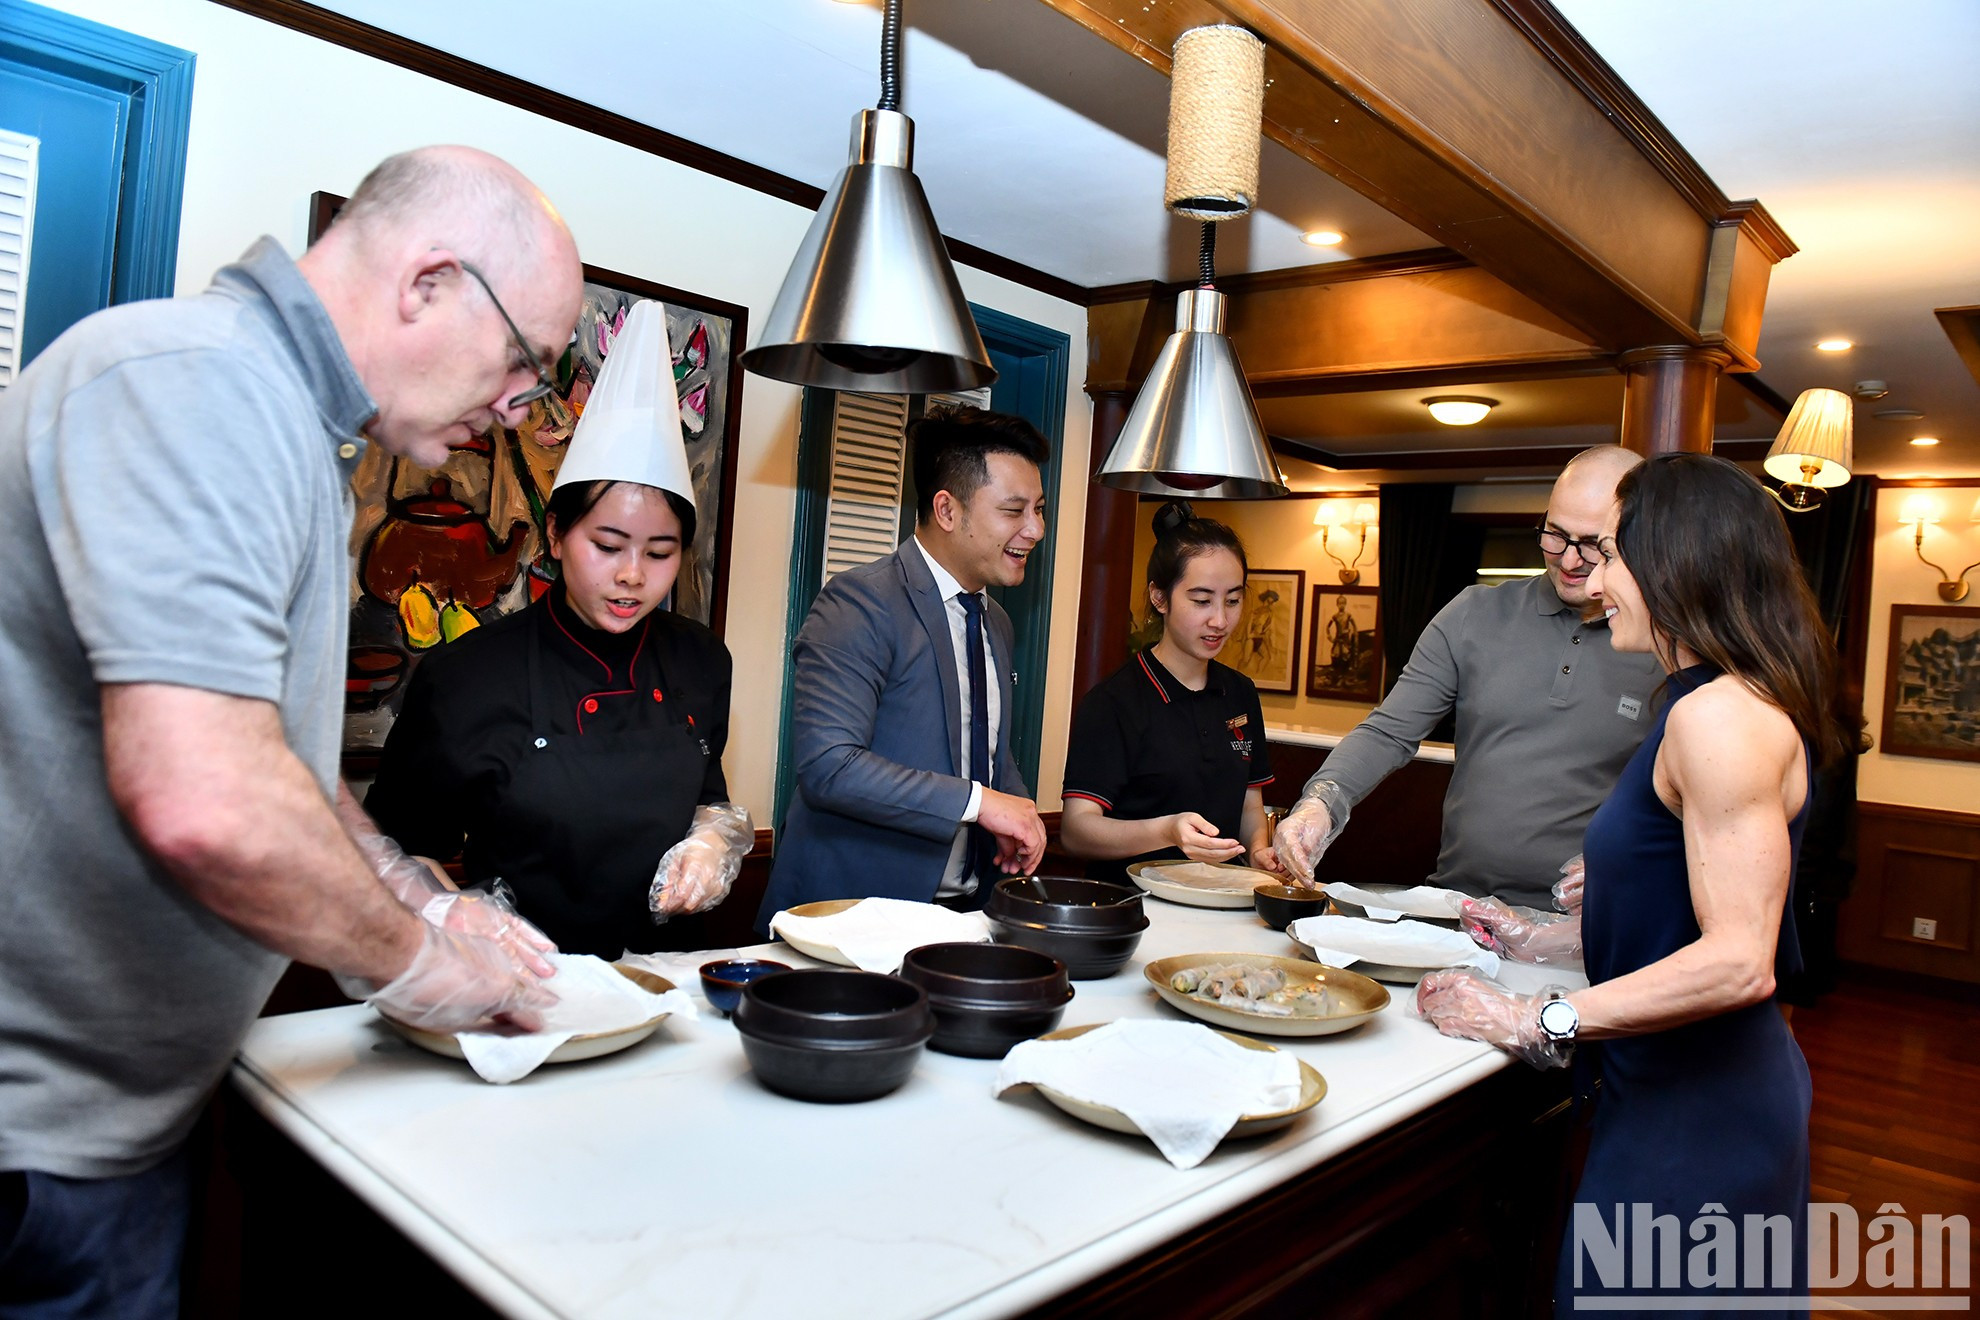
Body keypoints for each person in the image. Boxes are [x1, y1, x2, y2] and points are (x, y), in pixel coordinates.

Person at [0, 146, 582, 1316]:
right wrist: (418, 963)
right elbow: (208, 801)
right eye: (523, 360)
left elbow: (274, 763)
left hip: (121, 1118)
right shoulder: (199, 386)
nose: (515, 407)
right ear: (429, 282)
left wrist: (418, 895)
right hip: (38, 1144)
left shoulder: (284, 425)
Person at [1416, 453, 1853, 1312]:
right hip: (1660, 1092)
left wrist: (1536, 1016)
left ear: (1673, 565)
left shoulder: (1718, 717)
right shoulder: (1699, 701)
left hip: (1703, 1114)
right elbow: (1684, 912)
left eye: (1612, 555)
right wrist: (1542, 938)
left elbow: (1739, 962)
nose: (1595, 579)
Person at [366, 301, 750, 958]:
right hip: (525, 981)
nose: (633, 575)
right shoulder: (467, 676)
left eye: (660, 553)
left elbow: (706, 795)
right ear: (555, 534)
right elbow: (397, 848)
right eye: (608, 545)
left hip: (669, 980)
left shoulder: (702, 660)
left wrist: (711, 839)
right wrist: (457, 920)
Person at [1270, 446, 1666, 907]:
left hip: (1589, 919)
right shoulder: (1474, 613)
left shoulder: (1662, 644)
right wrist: (1320, 802)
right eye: (1556, 535)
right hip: (1460, 903)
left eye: (1593, 545)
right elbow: (1388, 732)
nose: (1570, 560)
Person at [756, 405, 1050, 922]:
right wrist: (981, 803)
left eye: (1039, 510)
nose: (1035, 530)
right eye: (1014, 511)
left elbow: (985, 749)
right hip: (848, 917)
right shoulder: (859, 602)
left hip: (963, 914)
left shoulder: (996, 621)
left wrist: (1018, 809)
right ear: (947, 510)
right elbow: (830, 765)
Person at [1060, 501, 1277, 884]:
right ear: (1159, 597)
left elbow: (1248, 807)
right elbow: (1077, 831)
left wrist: (1259, 851)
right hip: (1132, 903)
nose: (1220, 620)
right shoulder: (1115, 701)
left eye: (1232, 600)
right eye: (1201, 601)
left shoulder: (1240, 693)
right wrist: (1167, 831)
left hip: (1220, 899)